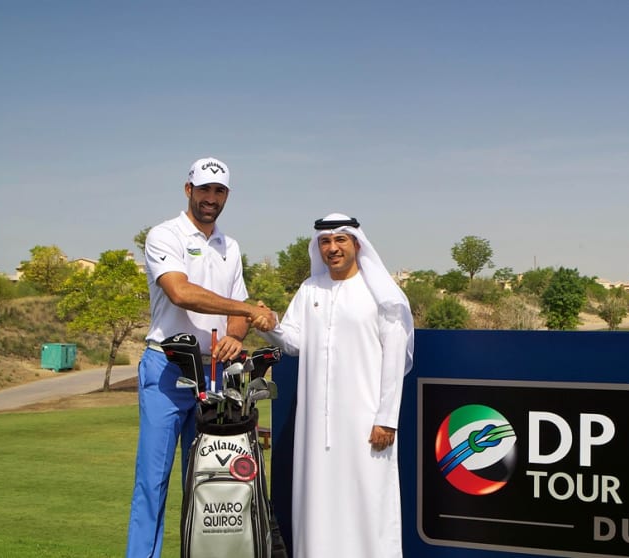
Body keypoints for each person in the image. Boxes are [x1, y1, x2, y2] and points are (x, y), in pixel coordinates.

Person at [126, 156, 275, 558]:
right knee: (153, 482)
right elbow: (180, 291)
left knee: (209, 482)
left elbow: (237, 308)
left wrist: (234, 334)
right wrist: (245, 312)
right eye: (204, 189)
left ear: (227, 195)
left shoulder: (230, 245)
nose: (211, 198)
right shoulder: (164, 234)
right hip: (168, 367)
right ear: (188, 189)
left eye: (219, 191)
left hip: (215, 375)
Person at [260, 213, 414, 557]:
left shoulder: (382, 295)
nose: (333, 248)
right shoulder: (309, 290)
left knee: (368, 502)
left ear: (357, 244)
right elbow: (295, 341)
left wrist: (387, 418)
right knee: (317, 503)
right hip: (316, 427)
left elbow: (394, 361)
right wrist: (269, 325)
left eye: (340, 240)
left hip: (367, 423)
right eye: (325, 242)